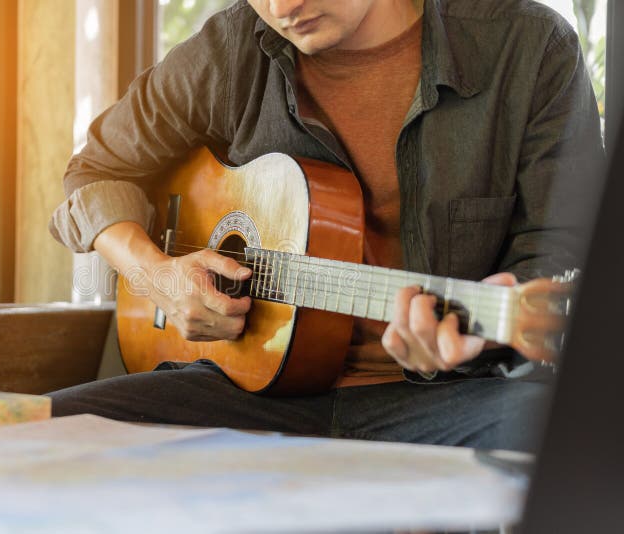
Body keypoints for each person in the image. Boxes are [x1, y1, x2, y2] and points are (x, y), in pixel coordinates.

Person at [47, 0, 604, 452]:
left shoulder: (528, 49)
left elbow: (561, 248)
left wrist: (481, 329)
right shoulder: (229, 48)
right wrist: (155, 275)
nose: (283, 6)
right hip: (241, 389)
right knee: (37, 434)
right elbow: (93, 171)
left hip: (457, 396)